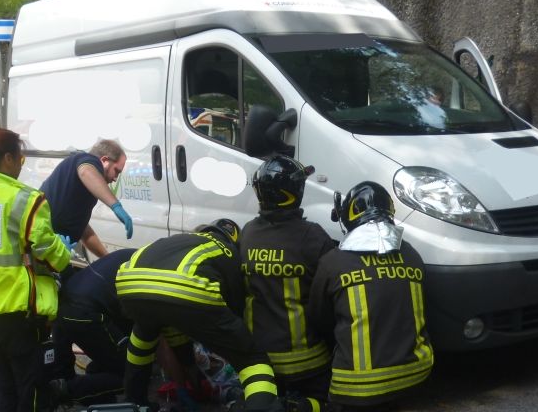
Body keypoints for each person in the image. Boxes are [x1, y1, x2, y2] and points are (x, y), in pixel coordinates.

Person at [0, 128, 73, 411]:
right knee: (32, 386)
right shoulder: (26, 199)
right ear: (8, 158)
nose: (22, 164)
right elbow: (48, 252)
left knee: (5, 380)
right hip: (18, 311)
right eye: (20, 158)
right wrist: (64, 253)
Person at [116, 220, 283, 412]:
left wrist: (190, 367)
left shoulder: (184, 239)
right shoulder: (230, 252)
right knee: (252, 359)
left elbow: (176, 327)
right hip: (186, 287)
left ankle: (134, 402)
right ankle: (262, 407)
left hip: (129, 283)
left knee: (142, 341)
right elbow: (236, 313)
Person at [308, 182, 433, 411]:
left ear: (350, 216)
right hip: (417, 372)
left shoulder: (333, 263)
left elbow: (319, 320)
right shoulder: (412, 255)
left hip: (356, 387)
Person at [240, 155, 338, 411]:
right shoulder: (311, 236)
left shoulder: (248, 232)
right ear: (297, 192)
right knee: (334, 400)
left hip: (260, 361)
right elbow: (336, 288)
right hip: (308, 363)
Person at [48, 248, 137, 407]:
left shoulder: (136, 255)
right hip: (84, 312)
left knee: (117, 354)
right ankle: (66, 390)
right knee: (135, 373)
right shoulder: (152, 274)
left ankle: (91, 380)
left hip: (69, 300)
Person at [39, 139, 131, 259]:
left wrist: (106, 258)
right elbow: (86, 170)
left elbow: (83, 230)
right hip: (40, 245)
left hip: (53, 252)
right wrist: (116, 206)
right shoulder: (87, 160)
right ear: (104, 160)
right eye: (116, 171)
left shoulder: (86, 187)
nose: (115, 178)